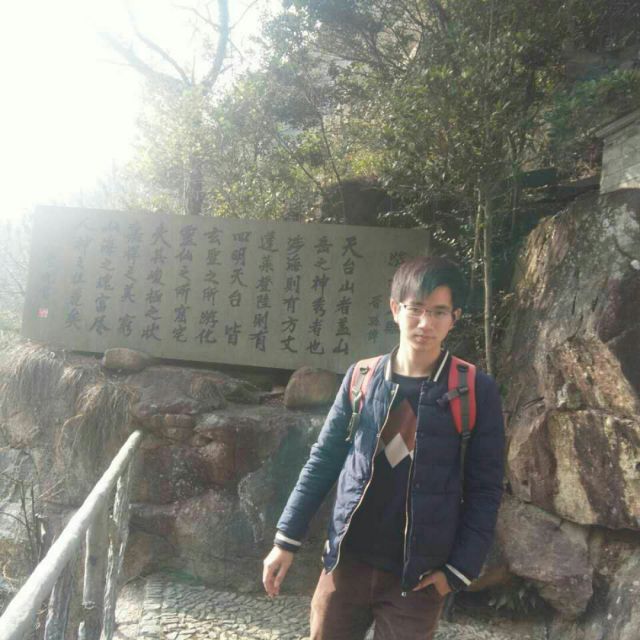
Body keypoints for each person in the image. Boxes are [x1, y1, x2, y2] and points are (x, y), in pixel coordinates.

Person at [263, 256, 505, 639]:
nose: (425, 323)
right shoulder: (361, 378)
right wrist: (285, 541)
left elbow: (486, 488)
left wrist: (457, 571)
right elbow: (323, 461)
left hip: (417, 578)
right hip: (346, 565)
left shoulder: (474, 390)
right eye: (416, 309)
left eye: (438, 312)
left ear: (454, 318)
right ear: (395, 309)